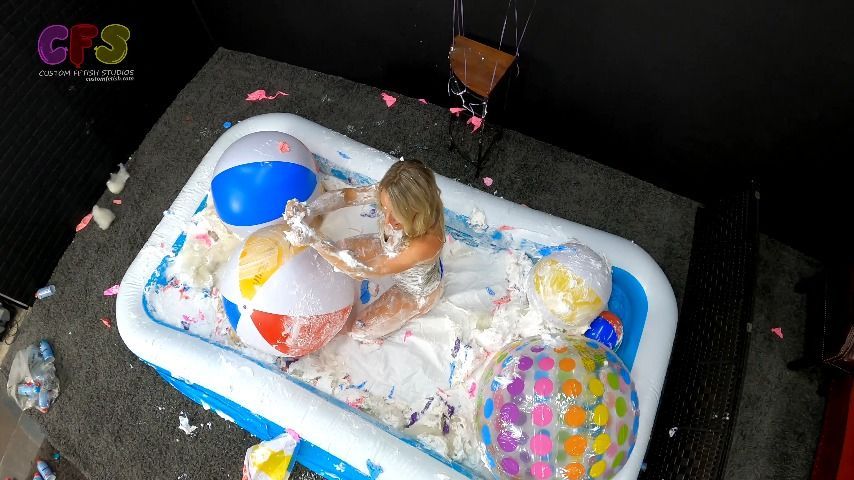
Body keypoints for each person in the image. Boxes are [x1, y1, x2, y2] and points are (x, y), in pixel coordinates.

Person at [283, 159, 445, 341]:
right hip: (390, 248)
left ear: (418, 209)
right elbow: (348, 197)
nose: (388, 221)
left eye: (399, 215)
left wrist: (314, 240)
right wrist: (309, 210)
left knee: (359, 330)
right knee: (337, 250)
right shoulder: (390, 193)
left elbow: (362, 270)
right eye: (385, 209)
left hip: (415, 290)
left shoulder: (427, 243)